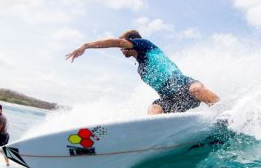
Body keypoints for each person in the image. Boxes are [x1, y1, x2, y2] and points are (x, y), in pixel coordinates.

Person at [66, 29, 219, 114]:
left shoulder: (146, 45)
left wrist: (86, 45)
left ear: (131, 43)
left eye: (123, 44)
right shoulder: (141, 69)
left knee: (197, 89)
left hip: (185, 86)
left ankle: (223, 112)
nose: (120, 48)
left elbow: (117, 41)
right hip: (172, 100)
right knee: (154, 109)